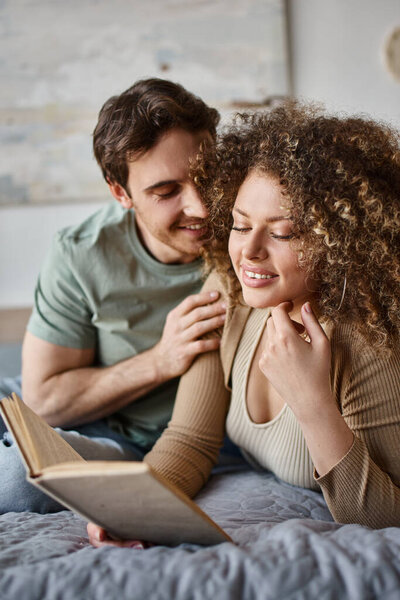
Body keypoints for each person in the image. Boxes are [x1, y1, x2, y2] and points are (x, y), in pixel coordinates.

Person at [89, 100, 400, 546]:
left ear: (341, 241)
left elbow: (386, 523)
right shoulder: (229, 290)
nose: (249, 252)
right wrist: (138, 507)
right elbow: (191, 440)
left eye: (283, 232)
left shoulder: (366, 339)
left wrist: (313, 403)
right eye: (239, 224)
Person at [0, 78, 228, 513]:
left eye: (208, 176)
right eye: (166, 192)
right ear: (120, 192)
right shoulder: (82, 253)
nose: (200, 207)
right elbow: (44, 397)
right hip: (71, 403)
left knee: (15, 478)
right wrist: (162, 359)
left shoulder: (252, 233)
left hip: (134, 439)